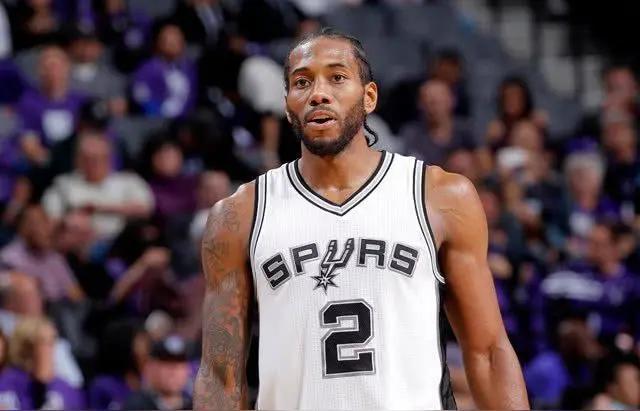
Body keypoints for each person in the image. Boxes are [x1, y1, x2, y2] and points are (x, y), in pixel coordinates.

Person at [194, 28, 529, 409]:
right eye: (302, 82)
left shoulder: (440, 197)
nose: (318, 93)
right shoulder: (239, 215)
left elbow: (488, 352)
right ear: (287, 106)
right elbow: (220, 376)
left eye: (337, 77)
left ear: (369, 97)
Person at [42, 131, 154, 241]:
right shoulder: (63, 184)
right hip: (78, 243)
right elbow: (51, 220)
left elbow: (145, 210)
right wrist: (68, 221)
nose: (92, 163)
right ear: (77, 159)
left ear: (109, 159)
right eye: (87, 158)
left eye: (98, 158)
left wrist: (99, 208)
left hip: (121, 242)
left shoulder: (129, 181)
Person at [0, 205, 84, 303]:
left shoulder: (54, 258)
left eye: (45, 222)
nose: (45, 229)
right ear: (23, 228)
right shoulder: (9, 258)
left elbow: (76, 294)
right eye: (36, 223)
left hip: (58, 308)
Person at [399, 79, 477, 167]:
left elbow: (483, 162)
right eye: (428, 103)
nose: (433, 108)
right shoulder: (411, 134)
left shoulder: (466, 130)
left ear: (452, 101)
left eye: (438, 102)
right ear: (419, 104)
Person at [131, 23, 197, 119]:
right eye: (170, 42)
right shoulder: (148, 69)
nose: (174, 45)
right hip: (157, 121)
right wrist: (160, 112)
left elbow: (192, 97)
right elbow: (141, 97)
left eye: (177, 41)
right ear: (160, 44)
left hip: (186, 120)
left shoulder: (189, 68)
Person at [123, 335, 192, 410]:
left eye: (179, 365)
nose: (174, 372)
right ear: (150, 367)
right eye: (167, 364)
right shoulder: (136, 406)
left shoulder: (194, 404)